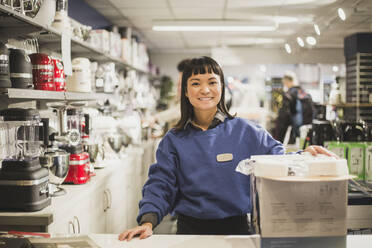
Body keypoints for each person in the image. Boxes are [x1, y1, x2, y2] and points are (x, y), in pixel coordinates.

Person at [119, 57, 333, 241]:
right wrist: (148, 221)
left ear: (222, 88)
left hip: (238, 230)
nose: (204, 89)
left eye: (212, 82)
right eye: (195, 83)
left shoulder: (246, 131)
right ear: (185, 91)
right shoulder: (173, 140)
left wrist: (303, 156)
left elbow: (277, 159)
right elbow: (161, 184)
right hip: (189, 231)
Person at [275, 71, 313, 144]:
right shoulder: (303, 92)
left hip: (294, 125)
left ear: (288, 81)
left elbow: (284, 115)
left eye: (285, 82)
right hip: (303, 127)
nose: (285, 84)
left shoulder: (289, 94)